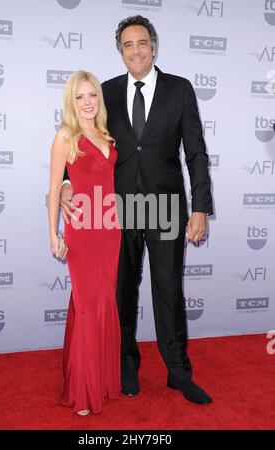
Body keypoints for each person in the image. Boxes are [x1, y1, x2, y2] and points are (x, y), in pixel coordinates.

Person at [61, 16, 213, 405]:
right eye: (127, 45)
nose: (136, 50)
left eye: (142, 42)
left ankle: (178, 372)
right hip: (116, 211)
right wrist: (64, 183)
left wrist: (200, 208)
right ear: (120, 51)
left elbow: (195, 151)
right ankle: (127, 363)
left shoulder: (180, 90)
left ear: (154, 46)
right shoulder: (105, 91)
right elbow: (78, 137)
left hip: (165, 208)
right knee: (121, 293)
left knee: (168, 293)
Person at [48, 70, 121, 415]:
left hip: (109, 228)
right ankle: (83, 391)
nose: (88, 102)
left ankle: (101, 381)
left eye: (92, 95)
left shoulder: (106, 135)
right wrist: (54, 234)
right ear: (71, 102)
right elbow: (54, 189)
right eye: (80, 97)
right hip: (81, 231)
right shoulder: (66, 137)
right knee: (88, 305)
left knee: (102, 304)